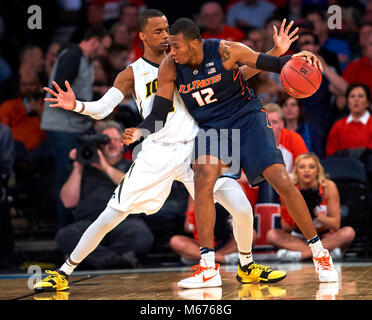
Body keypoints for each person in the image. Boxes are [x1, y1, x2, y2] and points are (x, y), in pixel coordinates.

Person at [33, 9, 296, 292]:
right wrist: (77, 105)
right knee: (111, 215)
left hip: (195, 147)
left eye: (167, 29)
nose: (165, 36)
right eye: (158, 32)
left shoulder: (186, 60)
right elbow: (104, 108)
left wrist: (274, 52)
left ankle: (246, 266)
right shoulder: (131, 72)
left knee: (242, 207)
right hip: (156, 152)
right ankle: (64, 272)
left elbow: (236, 75)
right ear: (142, 36)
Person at [122, 17, 338, 285]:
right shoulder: (170, 66)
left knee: (281, 180)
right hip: (213, 128)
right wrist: (141, 131)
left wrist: (297, 58)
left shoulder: (226, 50)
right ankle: (208, 267)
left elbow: (273, 64)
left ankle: (320, 254)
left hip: (247, 118)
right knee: (202, 179)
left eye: (176, 46)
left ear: (194, 43)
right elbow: (158, 113)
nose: (171, 51)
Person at [56, 120, 153, 269]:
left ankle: (95, 259)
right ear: (98, 144)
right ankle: (114, 260)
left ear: (123, 143)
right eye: (106, 140)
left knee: (141, 234)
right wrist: (77, 168)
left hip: (123, 221)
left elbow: (134, 187)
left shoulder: (133, 165)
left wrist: (105, 167)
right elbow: (68, 202)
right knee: (65, 235)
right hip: (89, 222)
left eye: (116, 139)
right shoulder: (84, 168)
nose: (112, 143)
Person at [41, 26, 112, 229]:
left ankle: (80, 225)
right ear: (94, 41)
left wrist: (97, 93)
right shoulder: (72, 56)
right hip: (63, 127)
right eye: (103, 47)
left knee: (80, 174)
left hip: (75, 126)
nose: (103, 53)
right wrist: (89, 112)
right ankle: (66, 228)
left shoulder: (84, 59)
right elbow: (59, 92)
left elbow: (77, 89)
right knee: (67, 176)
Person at [266, 152, 356, 262]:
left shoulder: (328, 187)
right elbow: (285, 227)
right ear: (296, 171)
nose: (306, 170)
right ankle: (325, 253)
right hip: (299, 237)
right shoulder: (289, 189)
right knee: (272, 235)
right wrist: (302, 213)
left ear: (318, 171)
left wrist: (315, 215)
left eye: (311, 167)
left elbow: (336, 224)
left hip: (324, 236)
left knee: (348, 232)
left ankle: (301, 255)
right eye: (302, 167)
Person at [326, 83, 372, 157]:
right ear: (347, 103)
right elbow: (331, 155)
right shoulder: (338, 126)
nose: (356, 99)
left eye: (360, 96)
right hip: (342, 166)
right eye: (352, 96)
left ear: (368, 103)